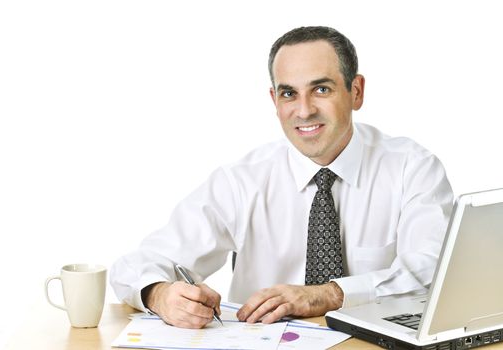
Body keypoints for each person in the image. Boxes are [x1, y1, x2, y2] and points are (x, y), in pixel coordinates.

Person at [110, 26, 454, 329]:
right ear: (275, 100)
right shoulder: (242, 180)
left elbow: (435, 272)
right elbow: (134, 266)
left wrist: (328, 295)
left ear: (356, 91)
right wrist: (160, 295)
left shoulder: (412, 167)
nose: (303, 110)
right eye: (289, 93)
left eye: (321, 89)